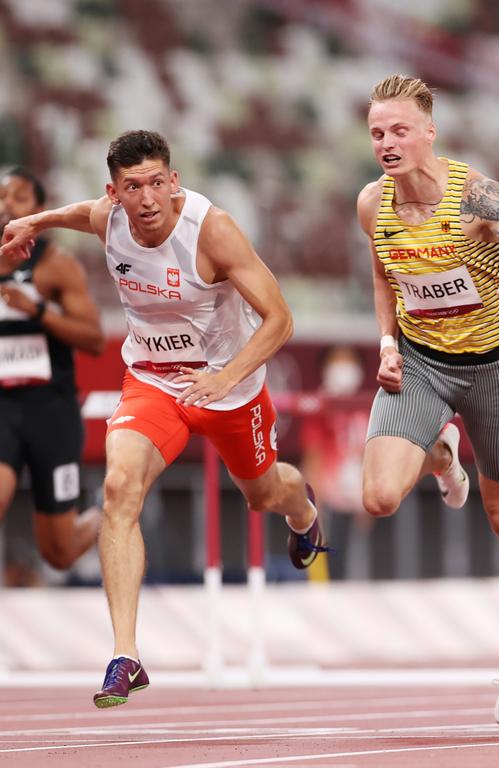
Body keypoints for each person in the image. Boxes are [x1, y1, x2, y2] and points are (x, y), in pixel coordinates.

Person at [0, 130, 329, 708]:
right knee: (120, 487)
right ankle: (125, 654)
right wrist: (36, 223)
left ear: (174, 182)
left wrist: (225, 378)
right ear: (116, 192)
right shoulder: (110, 218)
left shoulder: (213, 230)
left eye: (157, 183)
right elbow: (83, 213)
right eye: (134, 187)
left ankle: (303, 514)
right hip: (153, 380)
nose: (148, 199)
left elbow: (280, 319)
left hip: (230, 390)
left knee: (264, 493)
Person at [358, 75, 499, 726]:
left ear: (429, 132)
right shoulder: (372, 205)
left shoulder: (478, 195)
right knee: (379, 497)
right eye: (376, 134)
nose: (387, 143)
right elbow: (382, 279)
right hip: (421, 365)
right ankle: (442, 456)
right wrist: (388, 344)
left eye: (399, 130)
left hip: (492, 368)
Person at [0, 167, 103, 573]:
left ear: (38, 212)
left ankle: (106, 512)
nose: (7, 204)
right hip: (2, 408)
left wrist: (38, 310)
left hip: (51, 412)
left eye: (19, 197)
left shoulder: (56, 266)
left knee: (58, 554)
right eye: (1, 196)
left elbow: (94, 339)